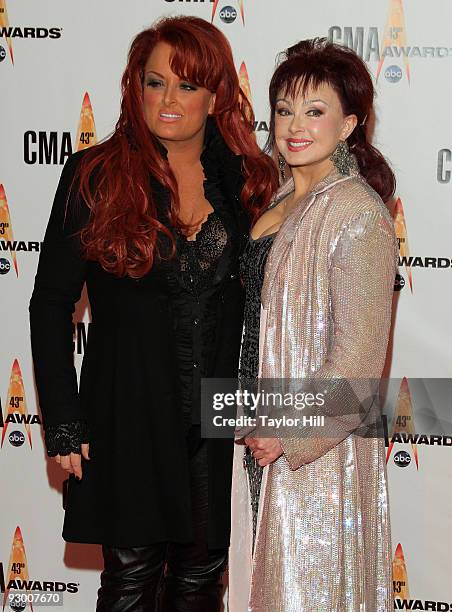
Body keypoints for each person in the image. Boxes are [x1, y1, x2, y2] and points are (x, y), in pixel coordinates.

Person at [29, 16, 277, 612]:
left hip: (217, 417)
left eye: (187, 86)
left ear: (216, 95)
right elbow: (50, 304)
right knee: (131, 576)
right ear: (134, 88)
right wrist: (63, 420)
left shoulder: (249, 182)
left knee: (201, 577)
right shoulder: (95, 174)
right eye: (155, 82)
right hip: (126, 410)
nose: (168, 101)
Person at [229, 38, 397, 611]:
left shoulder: (357, 213)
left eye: (315, 110)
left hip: (314, 459)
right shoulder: (277, 200)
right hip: (253, 439)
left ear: (348, 124)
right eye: (284, 109)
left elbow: (358, 363)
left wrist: (288, 431)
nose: (295, 125)